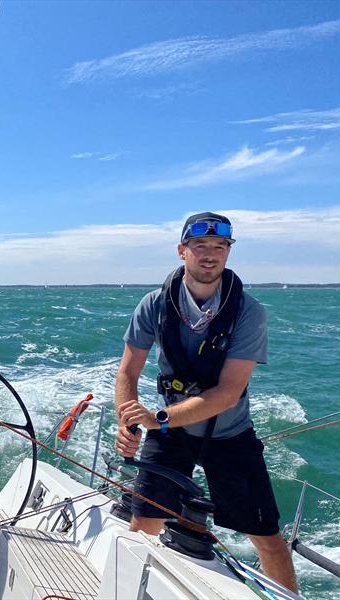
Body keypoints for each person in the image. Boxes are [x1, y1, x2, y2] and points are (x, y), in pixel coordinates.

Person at [114, 212, 297, 592]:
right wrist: (128, 422)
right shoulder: (154, 305)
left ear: (228, 254)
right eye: (200, 246)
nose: (210, 255)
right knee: (143, 526)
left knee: (268, 541)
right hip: (169, 432)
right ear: (183, 251)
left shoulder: (249, 312)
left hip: (228, 435)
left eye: (220, 247)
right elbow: (128, 373)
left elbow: (228, 392)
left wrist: (157, 418)